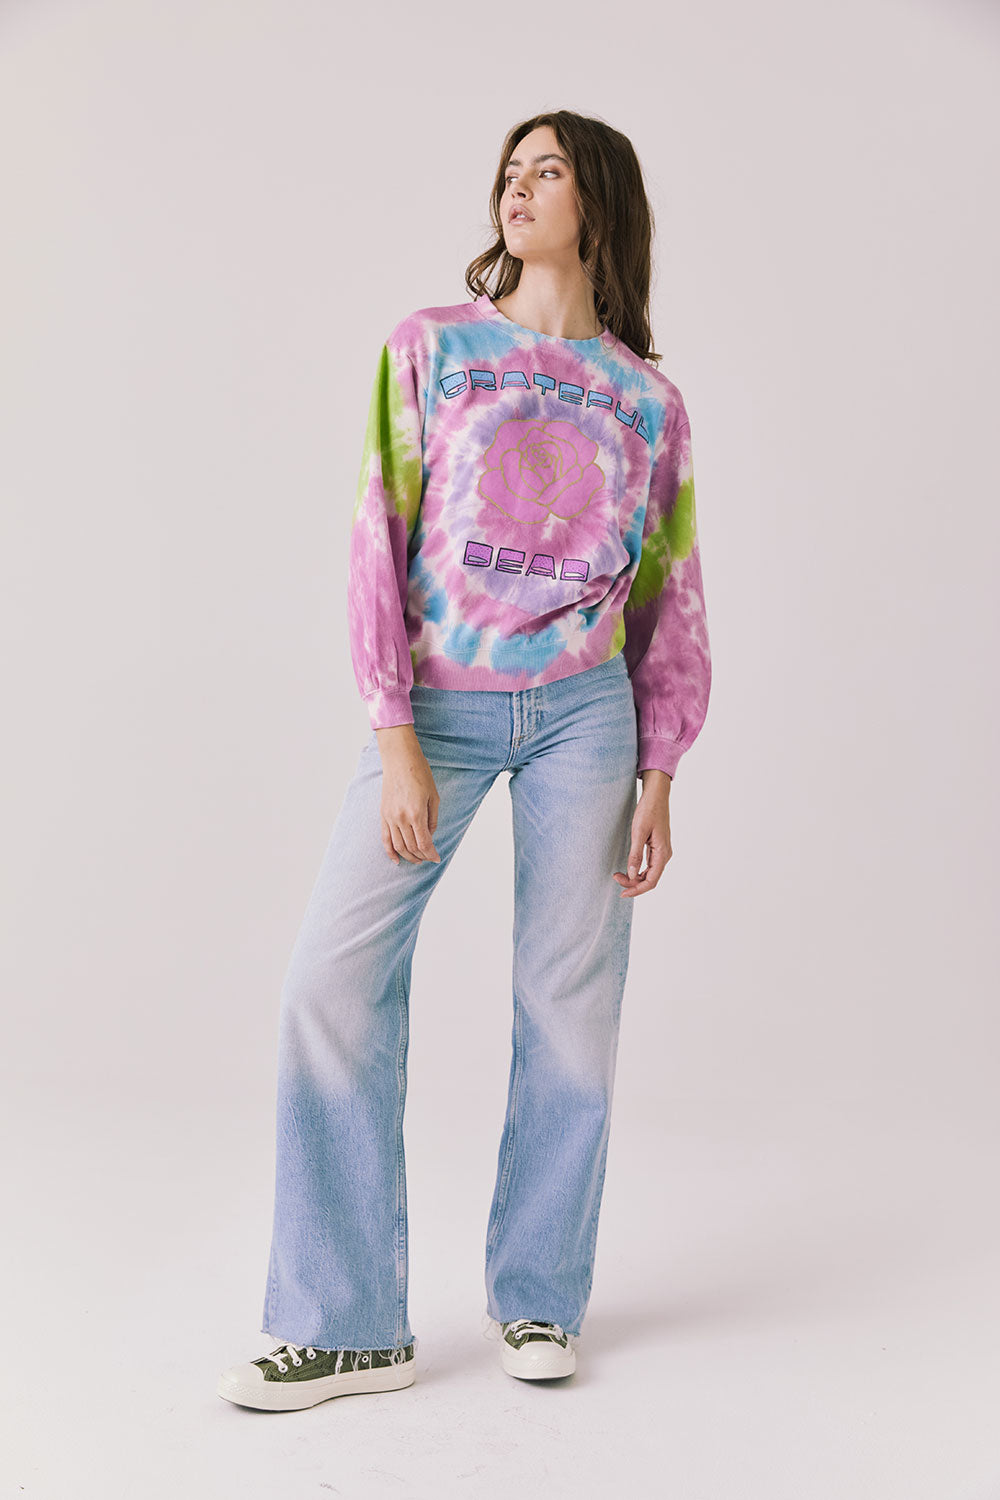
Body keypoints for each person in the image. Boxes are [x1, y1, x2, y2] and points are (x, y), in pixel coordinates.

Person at [217, 108, 712, 1412]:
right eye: (509, 169)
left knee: (570, 1012)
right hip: (437, 706)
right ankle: (346, 1322)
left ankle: (541, 1295)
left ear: (599, 201)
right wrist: (391, 732)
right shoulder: (429, 348)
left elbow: (670, 591)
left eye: (546, 170)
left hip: (590, 718)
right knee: (331, 977)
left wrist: (661, 766)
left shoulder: (649, 404)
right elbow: (377, 533)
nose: (519, 187)